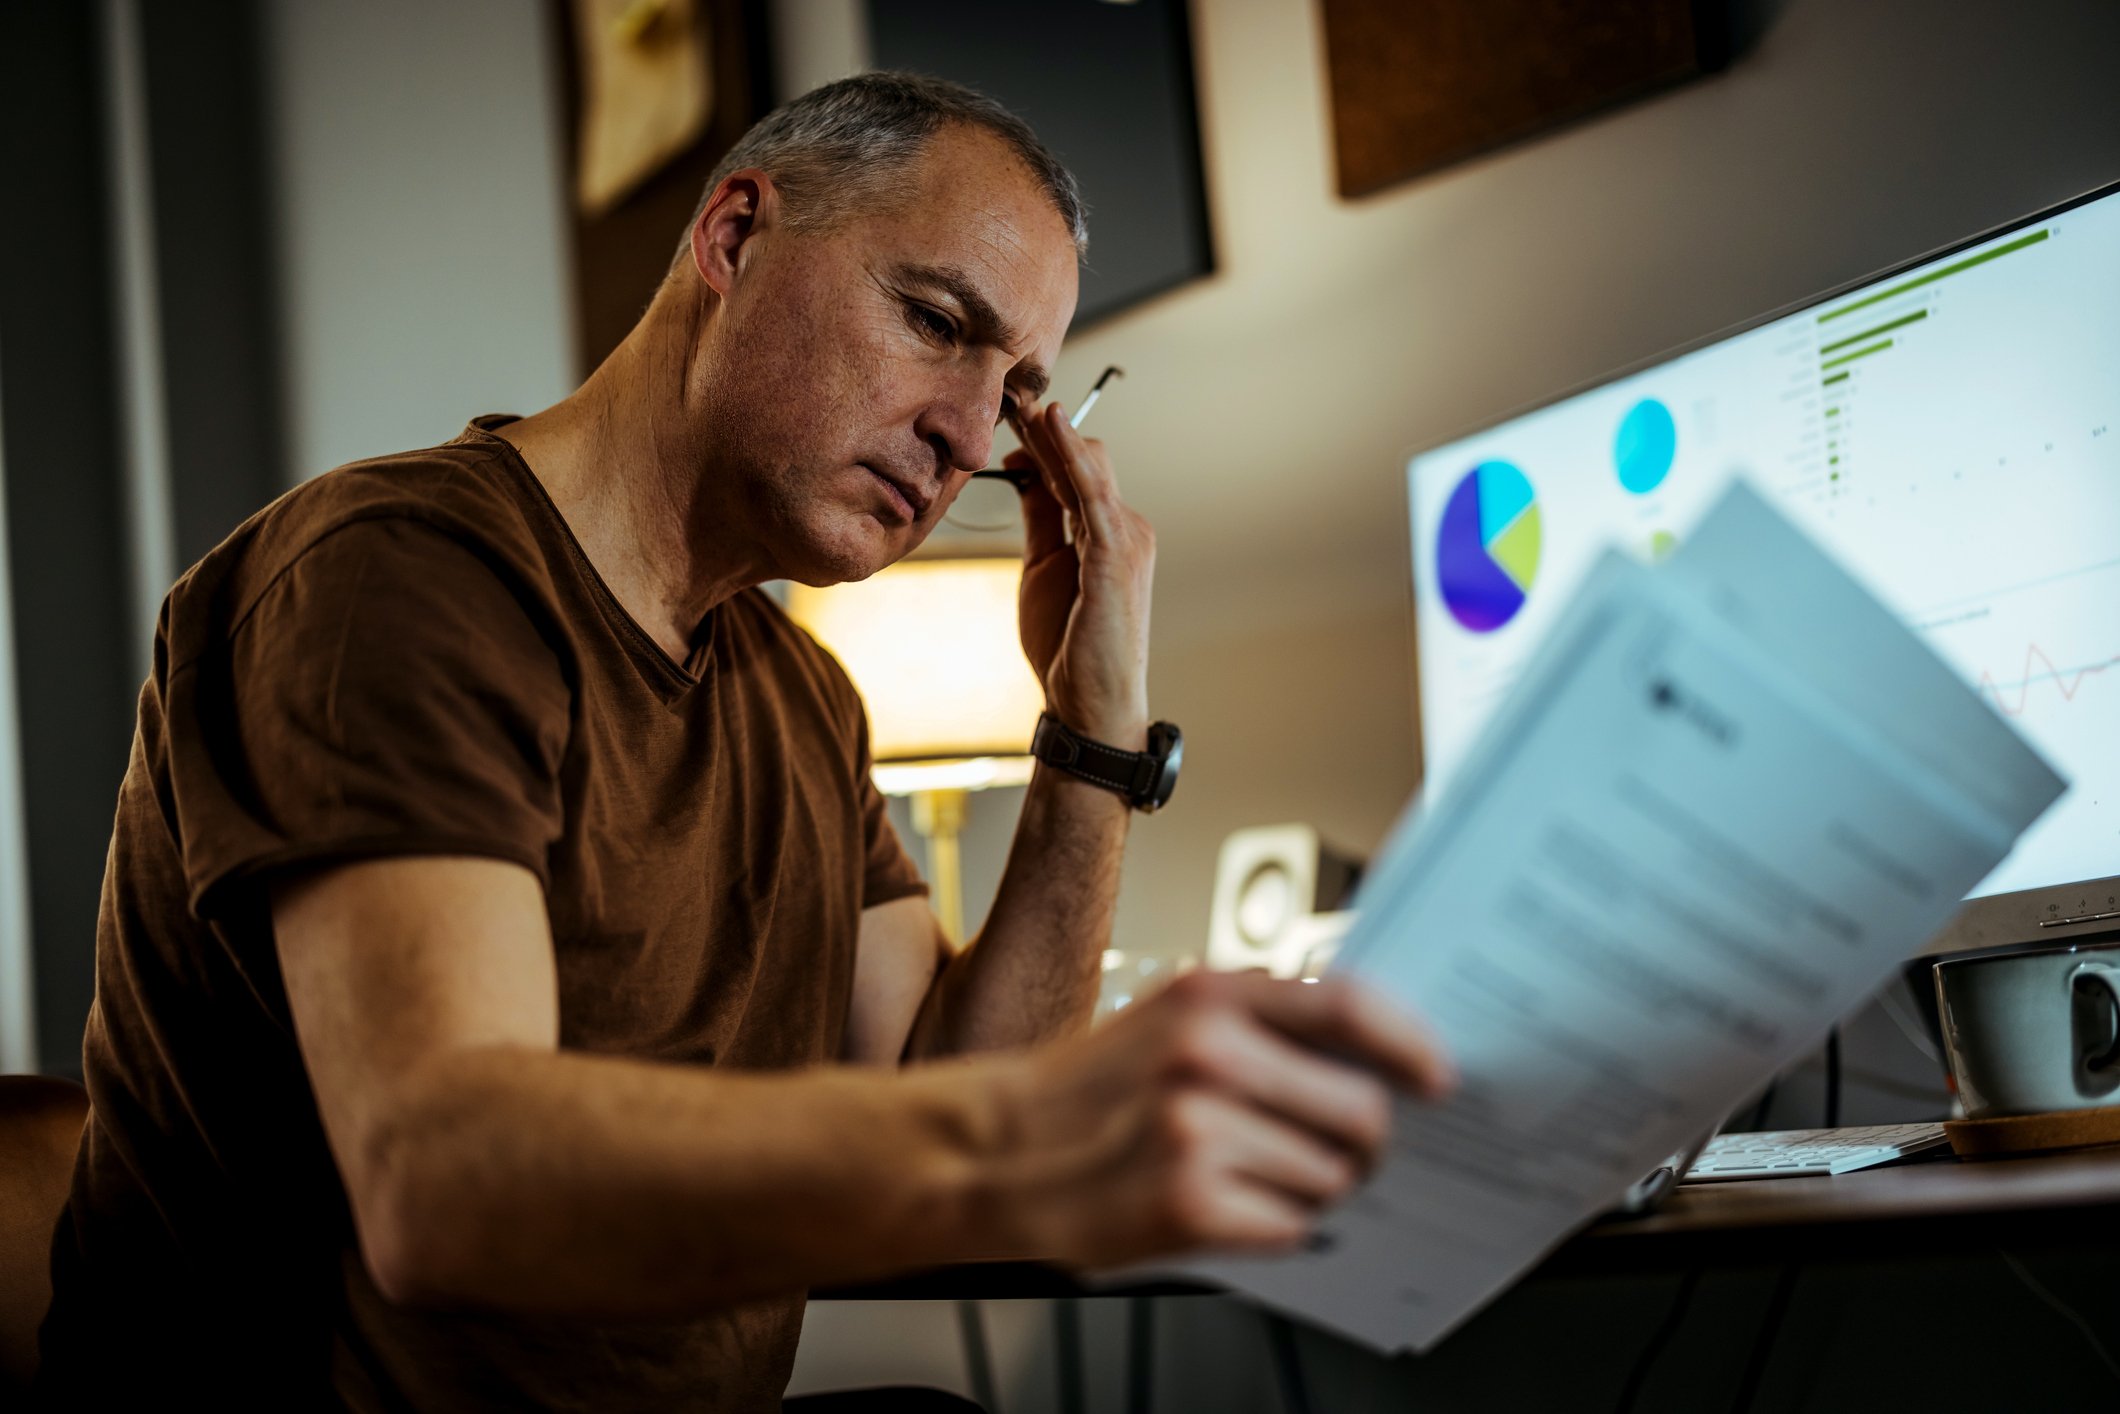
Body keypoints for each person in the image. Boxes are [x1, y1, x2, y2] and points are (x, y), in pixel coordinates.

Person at [36, 73, 1451, 1411]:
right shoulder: (390, 579)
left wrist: (1092, 726)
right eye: (939, 321)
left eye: (1019, 388)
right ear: (733, 234)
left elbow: (942, 1100)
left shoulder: (802, 699)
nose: (971, 436)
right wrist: (1050, 1132)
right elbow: (443, 1182)